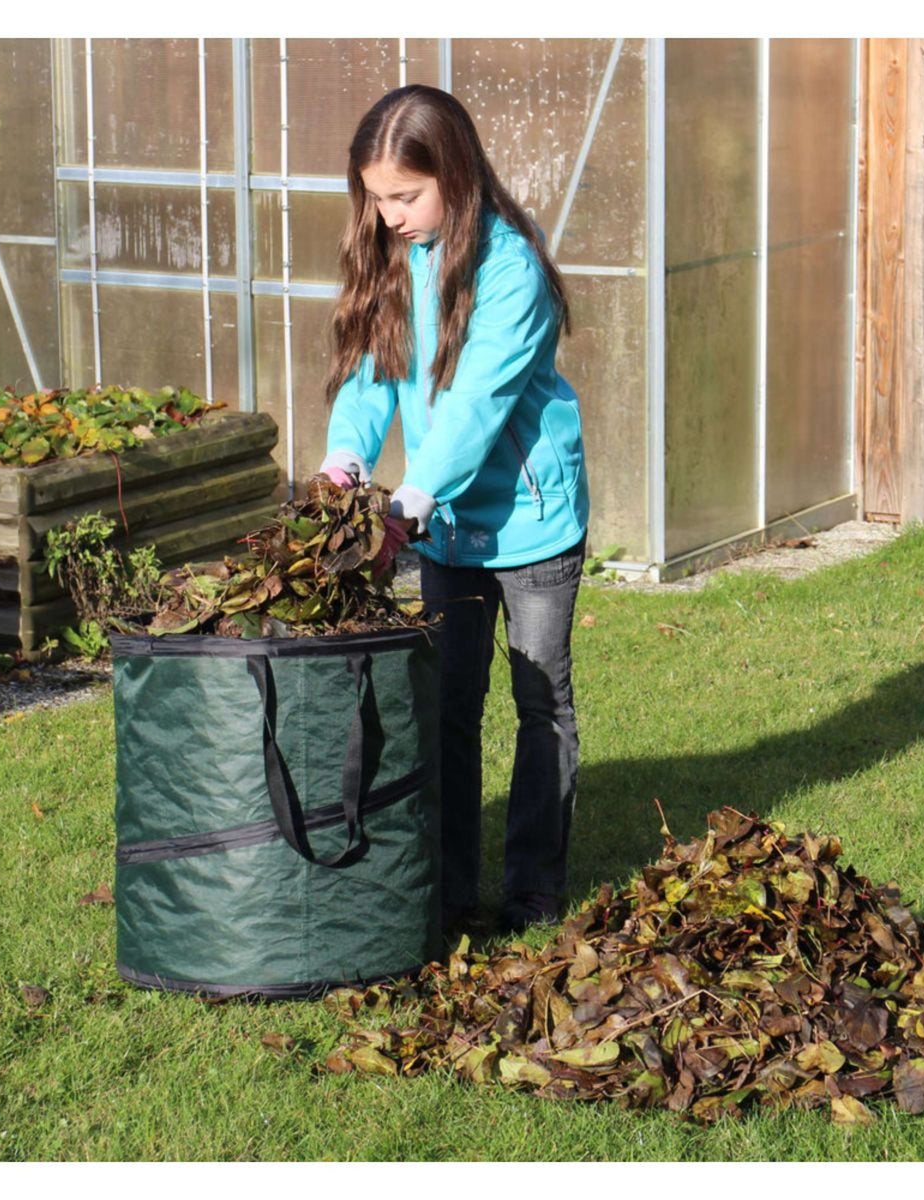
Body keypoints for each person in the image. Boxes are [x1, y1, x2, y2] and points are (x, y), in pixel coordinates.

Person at [318, 85, 590, 938]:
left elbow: (476, 404)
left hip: (532, 523)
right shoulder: (395, 255)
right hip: (444, 528)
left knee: (538, 696)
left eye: (406, 195)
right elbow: (372, 372)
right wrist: (345, 458)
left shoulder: (511, 267)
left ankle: (533, 885)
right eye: (377, 196)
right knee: (450, 704)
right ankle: (448, 888)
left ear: (456, 174)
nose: (389, 214)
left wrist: (408, 499)